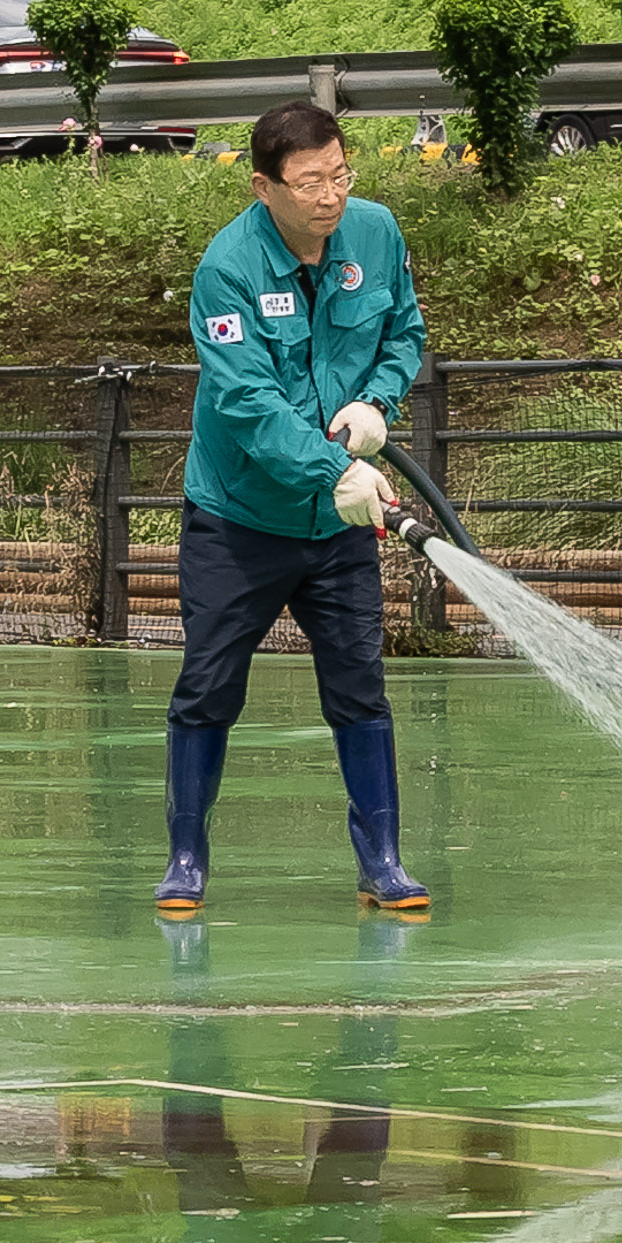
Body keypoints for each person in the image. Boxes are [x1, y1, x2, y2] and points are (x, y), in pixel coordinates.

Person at [154, 99, 430, 914]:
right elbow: (246, 400)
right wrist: (330, 469)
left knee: (360, 685)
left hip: (334, 524)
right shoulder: (227, 269)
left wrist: (378, 401)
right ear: (265, 186)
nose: (330, 196)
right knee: (208, 685)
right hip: (239, 518)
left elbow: (403, 333)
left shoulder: (376, 234)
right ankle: (186, 856)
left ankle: (382, 859)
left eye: (340, 175)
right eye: (309, 182)